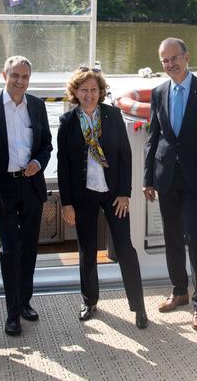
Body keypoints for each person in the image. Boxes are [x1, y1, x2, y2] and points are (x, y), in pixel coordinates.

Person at [143, 38, 197, 331]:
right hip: (166, 177)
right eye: (164, 60)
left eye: (174, 58)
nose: (169, 64)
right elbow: (153, 138)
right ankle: (179, 291)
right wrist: (148, 178)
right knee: (172, 237)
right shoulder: (158, 91)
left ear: (187, 57)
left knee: (195, 237)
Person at [57, 66, 148, 328]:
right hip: (82, 196)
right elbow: (63, 165)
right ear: (75, 92)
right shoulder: (68, 122)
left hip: (113, 195)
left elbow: (125, 156)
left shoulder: (112, 115)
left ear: (101, 91)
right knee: (86, 251)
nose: (89, 94)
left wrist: (124, 194)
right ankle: (90, 301)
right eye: (83, 90)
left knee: (125, 249)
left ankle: (139, 308)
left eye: (94, 89)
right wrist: (66, 203)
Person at [0, 56, 52, 337]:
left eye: (25, 77)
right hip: (3, 187)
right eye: (15, 76)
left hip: (31, 184)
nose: (20, 81)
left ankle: (24, 302)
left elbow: (46, 143)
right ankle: (11, 314)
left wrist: (39, 161)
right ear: (4, 75)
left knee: (30, 247)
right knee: (10, 250)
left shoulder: (37, 105)